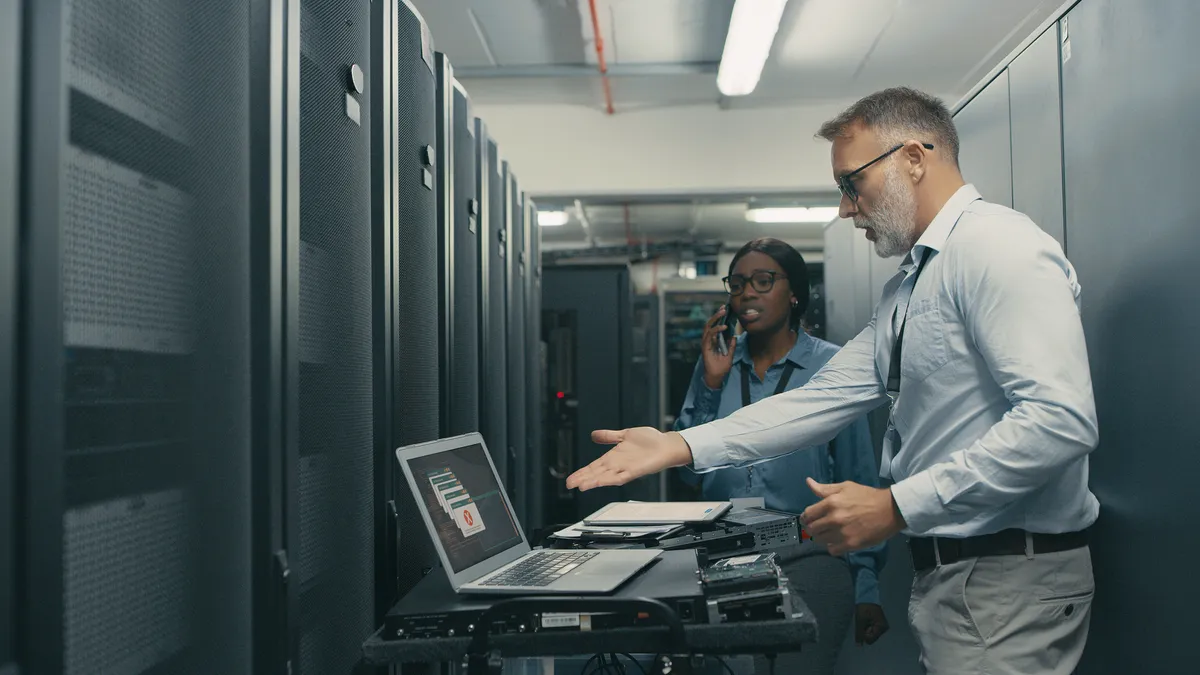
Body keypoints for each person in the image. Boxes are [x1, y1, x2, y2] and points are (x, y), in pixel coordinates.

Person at [566, 87, 1098, 675]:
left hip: (1005, 575)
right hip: (961, 576)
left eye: (853, 183)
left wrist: (897, 505)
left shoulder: (998, 248)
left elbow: (1059, 422)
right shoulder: (913, 283)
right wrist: (680, 445)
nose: (847, 209)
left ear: (914, 159)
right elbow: (821, 398)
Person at [673, 238, 888, 674]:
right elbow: (687, 477)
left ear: (794, 294)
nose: (747, 293)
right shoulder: (717, 364)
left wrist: (867, 587)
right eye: (737, 284)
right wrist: (711, 385)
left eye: (763, 281)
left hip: (812, 559)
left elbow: (859, 481)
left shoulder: (834, 368)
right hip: (722, 557)